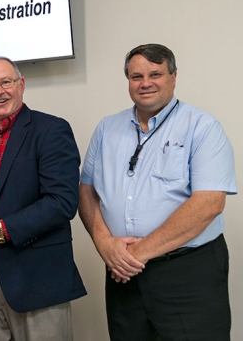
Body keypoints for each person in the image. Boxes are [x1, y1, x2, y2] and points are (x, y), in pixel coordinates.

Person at [79, 43, 237, 341]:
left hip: (187, 271)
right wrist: (104, 243)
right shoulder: (106, 129)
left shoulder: (202, 127)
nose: (145, 83)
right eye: (136, 76)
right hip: (122, 273)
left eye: (156, 74)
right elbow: (86, 191)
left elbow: (209, 204)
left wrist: (134, 255)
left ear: (174, 77)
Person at [0, 56, 86, 341]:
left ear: (21, 85)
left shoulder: (51, 130)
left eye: (6, 82)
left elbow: (62, 202)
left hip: (36, 276)